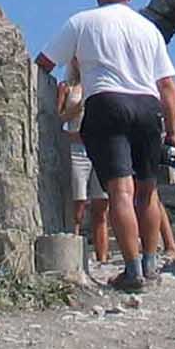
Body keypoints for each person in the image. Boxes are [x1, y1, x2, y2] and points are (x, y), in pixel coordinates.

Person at [36, 0, 175, 291]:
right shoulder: (148, 29)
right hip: (147, 106)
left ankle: (132, 271)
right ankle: (150, 264)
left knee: (120, 192)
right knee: (148, 191)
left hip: (106, 102)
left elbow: (44, 63)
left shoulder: (82, 22)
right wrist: (171, 133)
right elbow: (169, 88)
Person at [56, 57, 111, 266]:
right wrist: (77, 108)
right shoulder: (66, 87)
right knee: (78, 203)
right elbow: (58, 118)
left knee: (101, 205)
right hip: (77, 147)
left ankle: (102, 257)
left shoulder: (101, 84)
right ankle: (74, 254)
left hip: (100, 147)